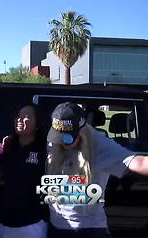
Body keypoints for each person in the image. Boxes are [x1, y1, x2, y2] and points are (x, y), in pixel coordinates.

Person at [46, 102, 148, 238]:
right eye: (58, 136)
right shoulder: (53, 139)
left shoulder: (99, 144)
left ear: (81, 130)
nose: (62, 142)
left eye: (68, 137)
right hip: (58, 226)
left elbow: (139, 163)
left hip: (88, 229)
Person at [0, 104, 48, 238]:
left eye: (26, 116)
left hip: (32, 225)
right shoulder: (7, 148)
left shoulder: (45, 151)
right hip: (4, 224)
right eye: (18, 116)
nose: (20, 119)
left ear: (37, 124)